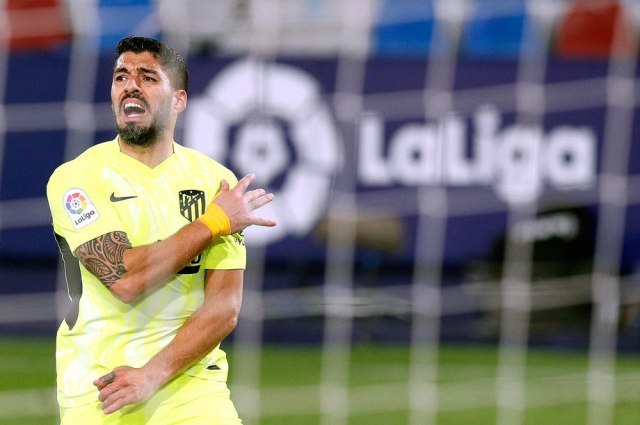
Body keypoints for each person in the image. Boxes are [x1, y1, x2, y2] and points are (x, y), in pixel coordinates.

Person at [46, 36, 276, 424]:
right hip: (99, 388)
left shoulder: (215, 181)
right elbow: (124, 278)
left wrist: (152, 375)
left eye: (148, 77)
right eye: (121, 76)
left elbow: (224, 307)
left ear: (179, 100)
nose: (130, 86)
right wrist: (213, 223)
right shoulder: (77, 179)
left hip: (191, 387)